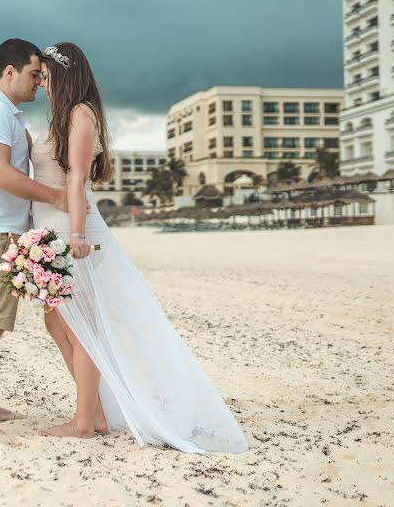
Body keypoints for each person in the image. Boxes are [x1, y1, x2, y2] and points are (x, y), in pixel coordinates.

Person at [30, 42, 248, 453]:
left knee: (82, 329)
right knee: (58, 324)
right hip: (49, 232)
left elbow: (76, 179)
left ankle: (84, 422)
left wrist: (76, 236)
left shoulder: (80, 113)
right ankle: (91, 412)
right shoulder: (61, 116)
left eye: (45, 74)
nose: (41, 81)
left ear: (63, 73)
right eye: (37, 75)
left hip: (72, 232)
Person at [0, 38, 73, 435]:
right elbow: (0, 174)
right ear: (9, 71)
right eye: (33, 74)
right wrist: (55, 196)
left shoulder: (9, 114)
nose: (38, 83)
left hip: (10, 233)